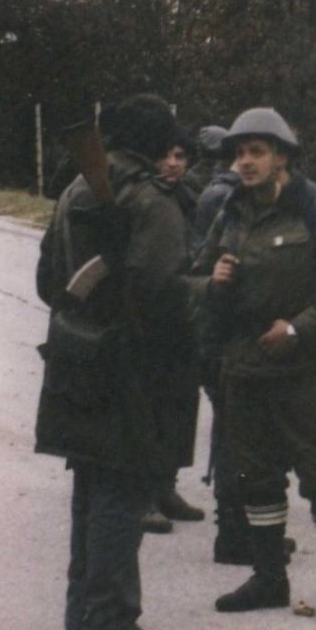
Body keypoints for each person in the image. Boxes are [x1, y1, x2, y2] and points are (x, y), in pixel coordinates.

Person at [35, 93, 196, 630]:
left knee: (91, 489)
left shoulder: (75, 192)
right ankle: (108, 625)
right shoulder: (152, 198)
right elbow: (163, 294)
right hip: (134, 365)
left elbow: (48, 281)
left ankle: (81, 616)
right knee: (124, 491)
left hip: (77, 354)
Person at [195, 107, 316, 623]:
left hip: (305, 372)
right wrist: (213, 280)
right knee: (257, 479)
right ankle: (270, 578)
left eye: (257, 152)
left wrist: (297, 329)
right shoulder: (230, 214)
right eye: (239, 154)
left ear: (283, 158)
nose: (245, 162)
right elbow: (194, 276)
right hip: (245, 371)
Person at [138, 125, 204, 534]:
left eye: (180, 156)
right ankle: (142, 495)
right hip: (148, 321)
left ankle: (166, 486)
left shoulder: (187, 198)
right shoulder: (143, 198)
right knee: (149, 408)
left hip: (182, 318)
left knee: (179, 406)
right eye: (165, 155)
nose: (173, 164)